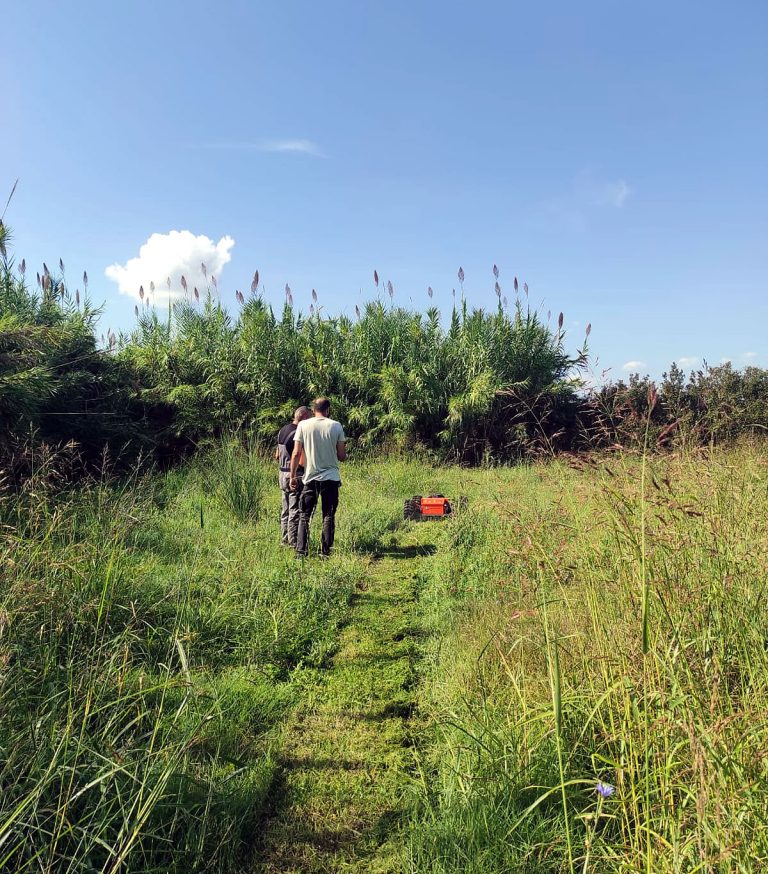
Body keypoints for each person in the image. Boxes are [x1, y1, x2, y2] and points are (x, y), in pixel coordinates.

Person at [290, 397, 347, 558]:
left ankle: (301, 551)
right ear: (328, 410)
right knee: (328, 515)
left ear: (313, 409)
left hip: (310, 477)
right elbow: (342, 456)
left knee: (305, 515)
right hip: (330, 478)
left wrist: (293, 476)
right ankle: (325, 552)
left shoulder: (303, 425)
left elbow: (296, 453)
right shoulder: (336, 426)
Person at [275, 406, 311, 547]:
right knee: (295, 510)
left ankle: (284, 540)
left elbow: (277, 455)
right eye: (309, 417)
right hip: (294, 474)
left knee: (285, 510)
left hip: (282, 473)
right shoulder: (298, 433)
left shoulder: (282, 430)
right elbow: (300, 458)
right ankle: (293, 542)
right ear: (303, 417)